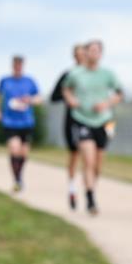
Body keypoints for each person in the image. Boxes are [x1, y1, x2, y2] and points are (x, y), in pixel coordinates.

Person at [61, 39, 123, 215]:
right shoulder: (75, 74)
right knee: (88, 160)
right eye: (91, 50)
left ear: (101, 54)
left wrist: (107, 103)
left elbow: (119, 93)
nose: (94, 54)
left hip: (105, 121)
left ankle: (91, 188)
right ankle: (90, 199)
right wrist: (72, 100)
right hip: (81, 119)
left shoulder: (108, 74)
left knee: (97, 164)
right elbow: (65, 89)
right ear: (85, 53)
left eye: (97, 51)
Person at [0, 55, 41, 192]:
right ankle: (17, 180)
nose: (18, 67)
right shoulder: (5, 81)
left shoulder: (29, 81)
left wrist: (30, 100)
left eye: (20, 65)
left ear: (23, 66)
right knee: (14, 149)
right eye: (16, 65)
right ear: (12, 66)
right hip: (10, 121)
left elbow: (39, 98)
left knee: (24, 153)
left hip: (26, 121)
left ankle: (19, 175)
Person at [50, 43, 87, 209]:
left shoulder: (94, 75)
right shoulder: (68, 75)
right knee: (75, 154)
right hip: (72, 120)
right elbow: (54, 97)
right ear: (74, 56)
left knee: (90, 155)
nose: (81, 57)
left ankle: (89, 191)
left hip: (92, 120)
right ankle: (72, 189)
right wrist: (69, 97)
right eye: (78, 54)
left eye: (83, 54)